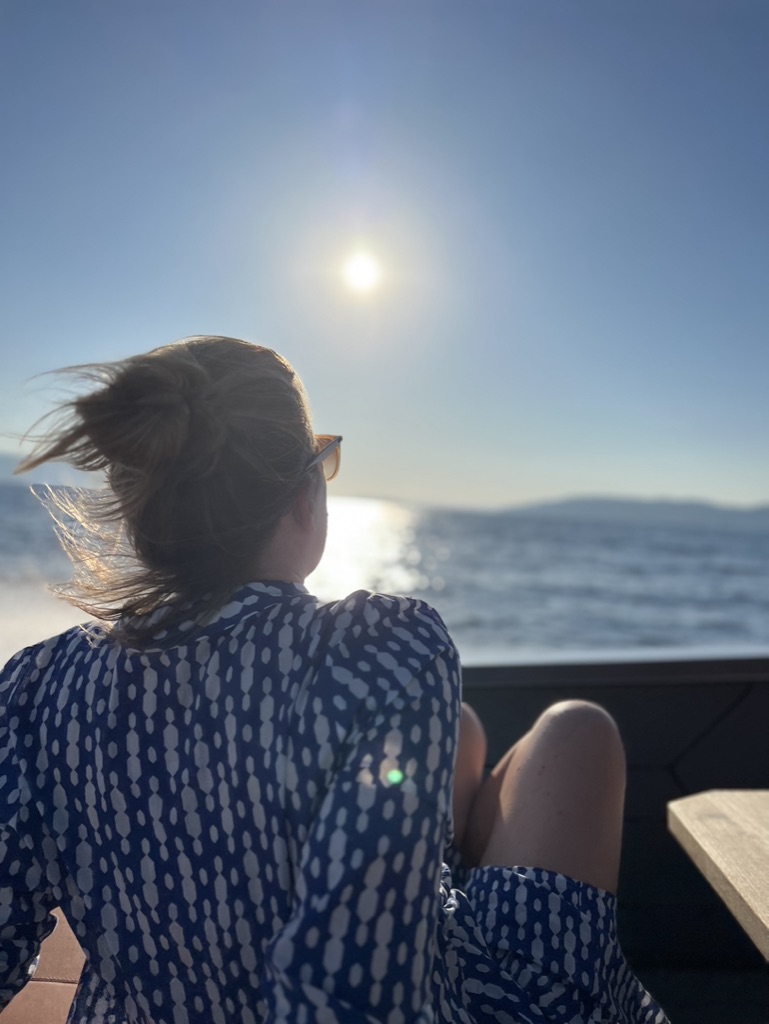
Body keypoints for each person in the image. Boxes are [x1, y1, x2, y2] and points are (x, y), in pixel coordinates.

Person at [0, 336, 669, 1023]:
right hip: (407, 999)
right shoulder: (380, 647)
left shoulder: (38, 686)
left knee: (463, 736)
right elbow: (353, 988)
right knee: (576, 731)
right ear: (303, 495)